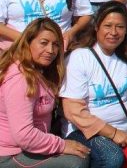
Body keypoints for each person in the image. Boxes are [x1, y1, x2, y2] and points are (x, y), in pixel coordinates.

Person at [61, 2, 127, 168]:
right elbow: (73, 111)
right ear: (96, 27)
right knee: (112, 157)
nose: (113, 32)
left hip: (125, 128)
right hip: (85, 132)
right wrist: (113, 133)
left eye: (120, 27)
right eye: (108, 26)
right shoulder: (80, 57)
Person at [0, 18, 91, 168]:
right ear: (28, 42)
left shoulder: (39, 70)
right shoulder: (20, 78)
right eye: (44, 43)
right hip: (11, 154)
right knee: (76, 163)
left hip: (29, 149)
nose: (50, 50)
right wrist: (62, 145)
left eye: (56, 45)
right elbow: (24, 136)